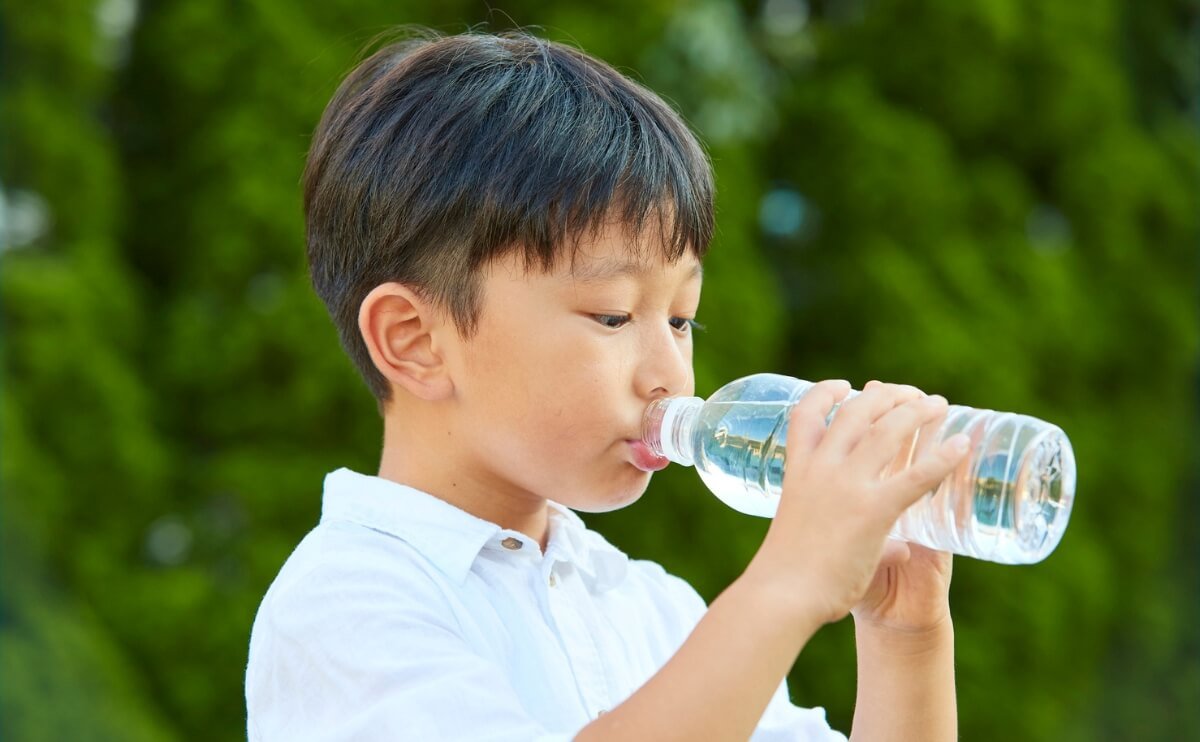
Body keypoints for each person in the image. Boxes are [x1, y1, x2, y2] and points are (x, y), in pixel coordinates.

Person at [245, 29, 971, 741]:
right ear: (416, 341)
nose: (669, 374)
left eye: (683, 319)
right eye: (614, 314)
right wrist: (786, 585)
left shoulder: (652, 610)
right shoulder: (347, 604)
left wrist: (905, 637)